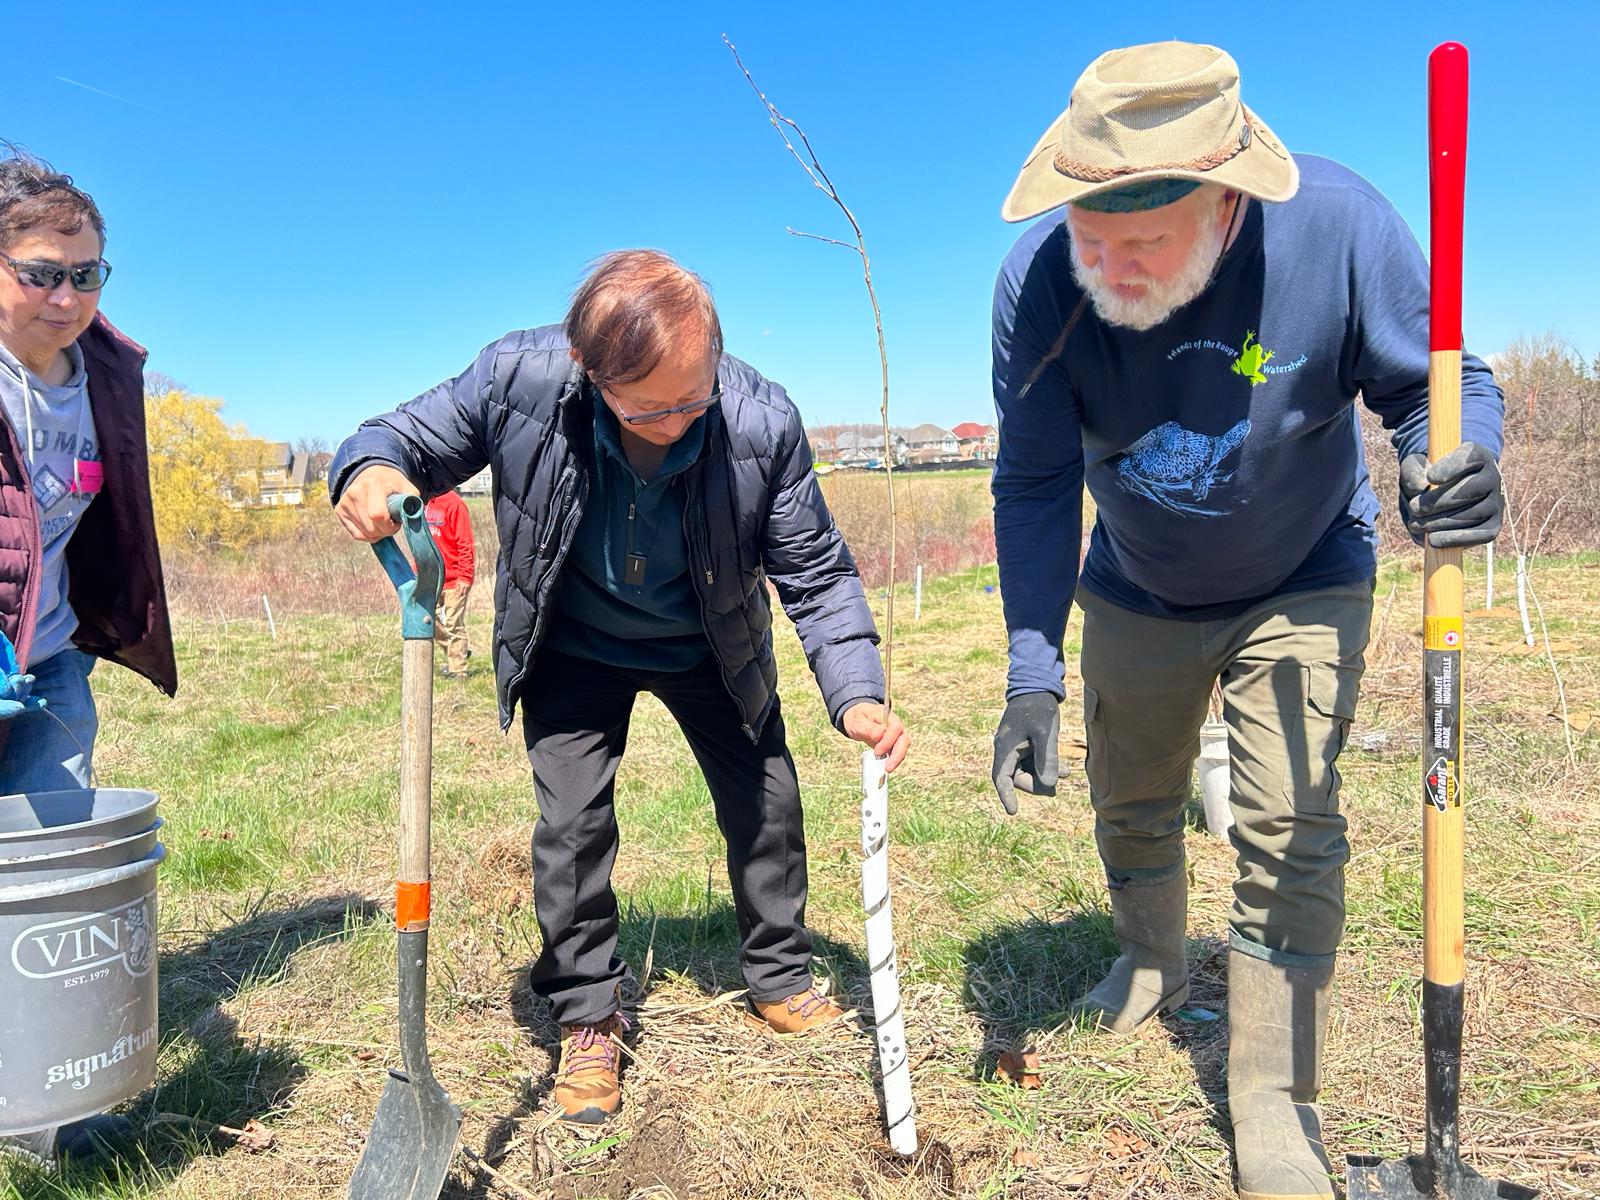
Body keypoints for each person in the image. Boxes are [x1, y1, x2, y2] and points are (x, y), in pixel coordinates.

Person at [988, 42, 1503, 1200]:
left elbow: (1440, 382)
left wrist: (1454, 458)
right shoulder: (1036, 285)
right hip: (1135, 583)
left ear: (1224, 202)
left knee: (1288, 823)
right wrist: (1032, 671)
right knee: (1130, 796)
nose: (1106, 261)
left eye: (1142, 239)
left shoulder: (1335, 227)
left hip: (1305, 568)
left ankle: (1275, 1095)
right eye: (1089, 231)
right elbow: (1028, 483)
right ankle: (1149, 958)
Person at [331, 249, 909, 1125]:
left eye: (693, 397)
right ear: (589, 371)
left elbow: (817, 573)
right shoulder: (517, 379)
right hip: (573, 644)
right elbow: (399, 438)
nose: (677, 420)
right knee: (571, 826)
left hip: (713, 644)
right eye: (648, 406)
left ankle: (780, 975)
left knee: (768, 805)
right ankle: (589, 1015)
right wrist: (369, 470)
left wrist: (856, 690)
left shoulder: (759, 421)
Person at [0, 150, 177, 1163]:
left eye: (86, 273)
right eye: (38, 272)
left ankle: (39, 1113)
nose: (64, 296)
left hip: (52, 661)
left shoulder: (107, 367)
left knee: (47, 878)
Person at [424, 486, 475, 675]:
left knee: (454, 624)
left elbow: (465, 542)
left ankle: (459, 671)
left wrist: (465, 576)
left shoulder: (455, 504)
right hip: (430, 578)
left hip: (455, 578)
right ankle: (458, 651)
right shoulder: (423, 503)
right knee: (428, 621)